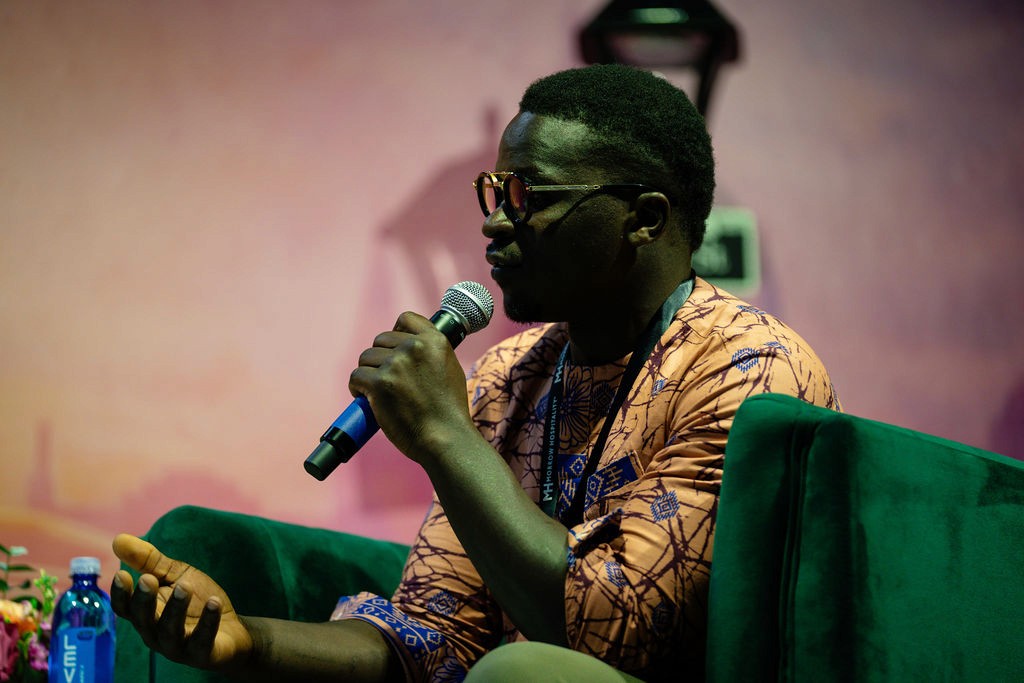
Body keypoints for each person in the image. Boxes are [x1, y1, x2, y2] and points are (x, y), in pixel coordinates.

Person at [111, 64, 838, 682]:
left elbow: (613, 634)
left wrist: (443, 434)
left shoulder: (748, 366)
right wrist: (248, 641)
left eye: (529, 197)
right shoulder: (509, 372)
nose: (494, 223)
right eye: (495, 192)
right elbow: (437, 636)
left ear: (644, 218)